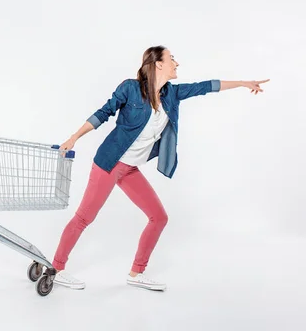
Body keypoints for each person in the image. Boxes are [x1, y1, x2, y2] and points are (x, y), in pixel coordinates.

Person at [51, 46, 268, 291]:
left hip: (131, 168)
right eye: (172, 58)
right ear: (158, 64)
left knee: (159, 217)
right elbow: (103, 113)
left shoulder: (172, 94)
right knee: (84, 217)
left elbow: (206, 86)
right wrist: (74, 137)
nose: (177, 63)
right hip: (110, 163)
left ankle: (136, 273)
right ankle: (56, 268)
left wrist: (242, 83)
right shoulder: (130, 88)